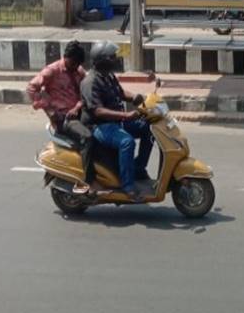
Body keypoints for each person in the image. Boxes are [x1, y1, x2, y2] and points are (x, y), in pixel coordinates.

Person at [80, 41, 155, 200]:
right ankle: (127, 186)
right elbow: (98, 111)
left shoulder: (108, 76)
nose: (115, 59)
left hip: (117, 122)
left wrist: (135, 97)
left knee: (149, 128)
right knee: (127, 142)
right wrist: (126, 116)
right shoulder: (90, 82)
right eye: (112, 57)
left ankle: (138, 168)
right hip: (101, 126)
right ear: (102, 60)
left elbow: (120, 93)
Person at [27, 40, 94, 191]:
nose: (76, 67)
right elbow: (32, 88)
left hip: (78, 113)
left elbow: (88, 88)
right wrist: (47, 108)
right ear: (67, 58)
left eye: (78, 65)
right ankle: (87, 181)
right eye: (74, 64)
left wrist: (78, 106)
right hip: (64, 118)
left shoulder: (78, 70)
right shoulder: (52, 71)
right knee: (88, 138)